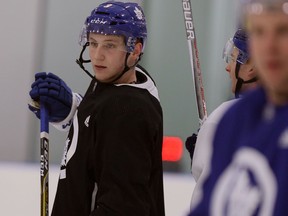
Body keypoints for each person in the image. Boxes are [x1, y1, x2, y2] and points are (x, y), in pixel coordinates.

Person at [28, 1, 165, 216]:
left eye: (109, 45)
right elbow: (102, 136)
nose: (97, 55)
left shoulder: (128, 111)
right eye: (93, 43)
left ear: (135, 49)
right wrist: (72, 111)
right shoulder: (114, 81)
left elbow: (122, 208)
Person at [189, 0, 288, 215]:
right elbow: (211, 203)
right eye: (260, 32)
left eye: (282, 31)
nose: (270, 45)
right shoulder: (234, 119)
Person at [187, 29, 258, 209]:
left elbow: (209, 197)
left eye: (233, 58)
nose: (228, 67)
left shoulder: (226, 118)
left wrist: (207, 145)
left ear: (252, 67)